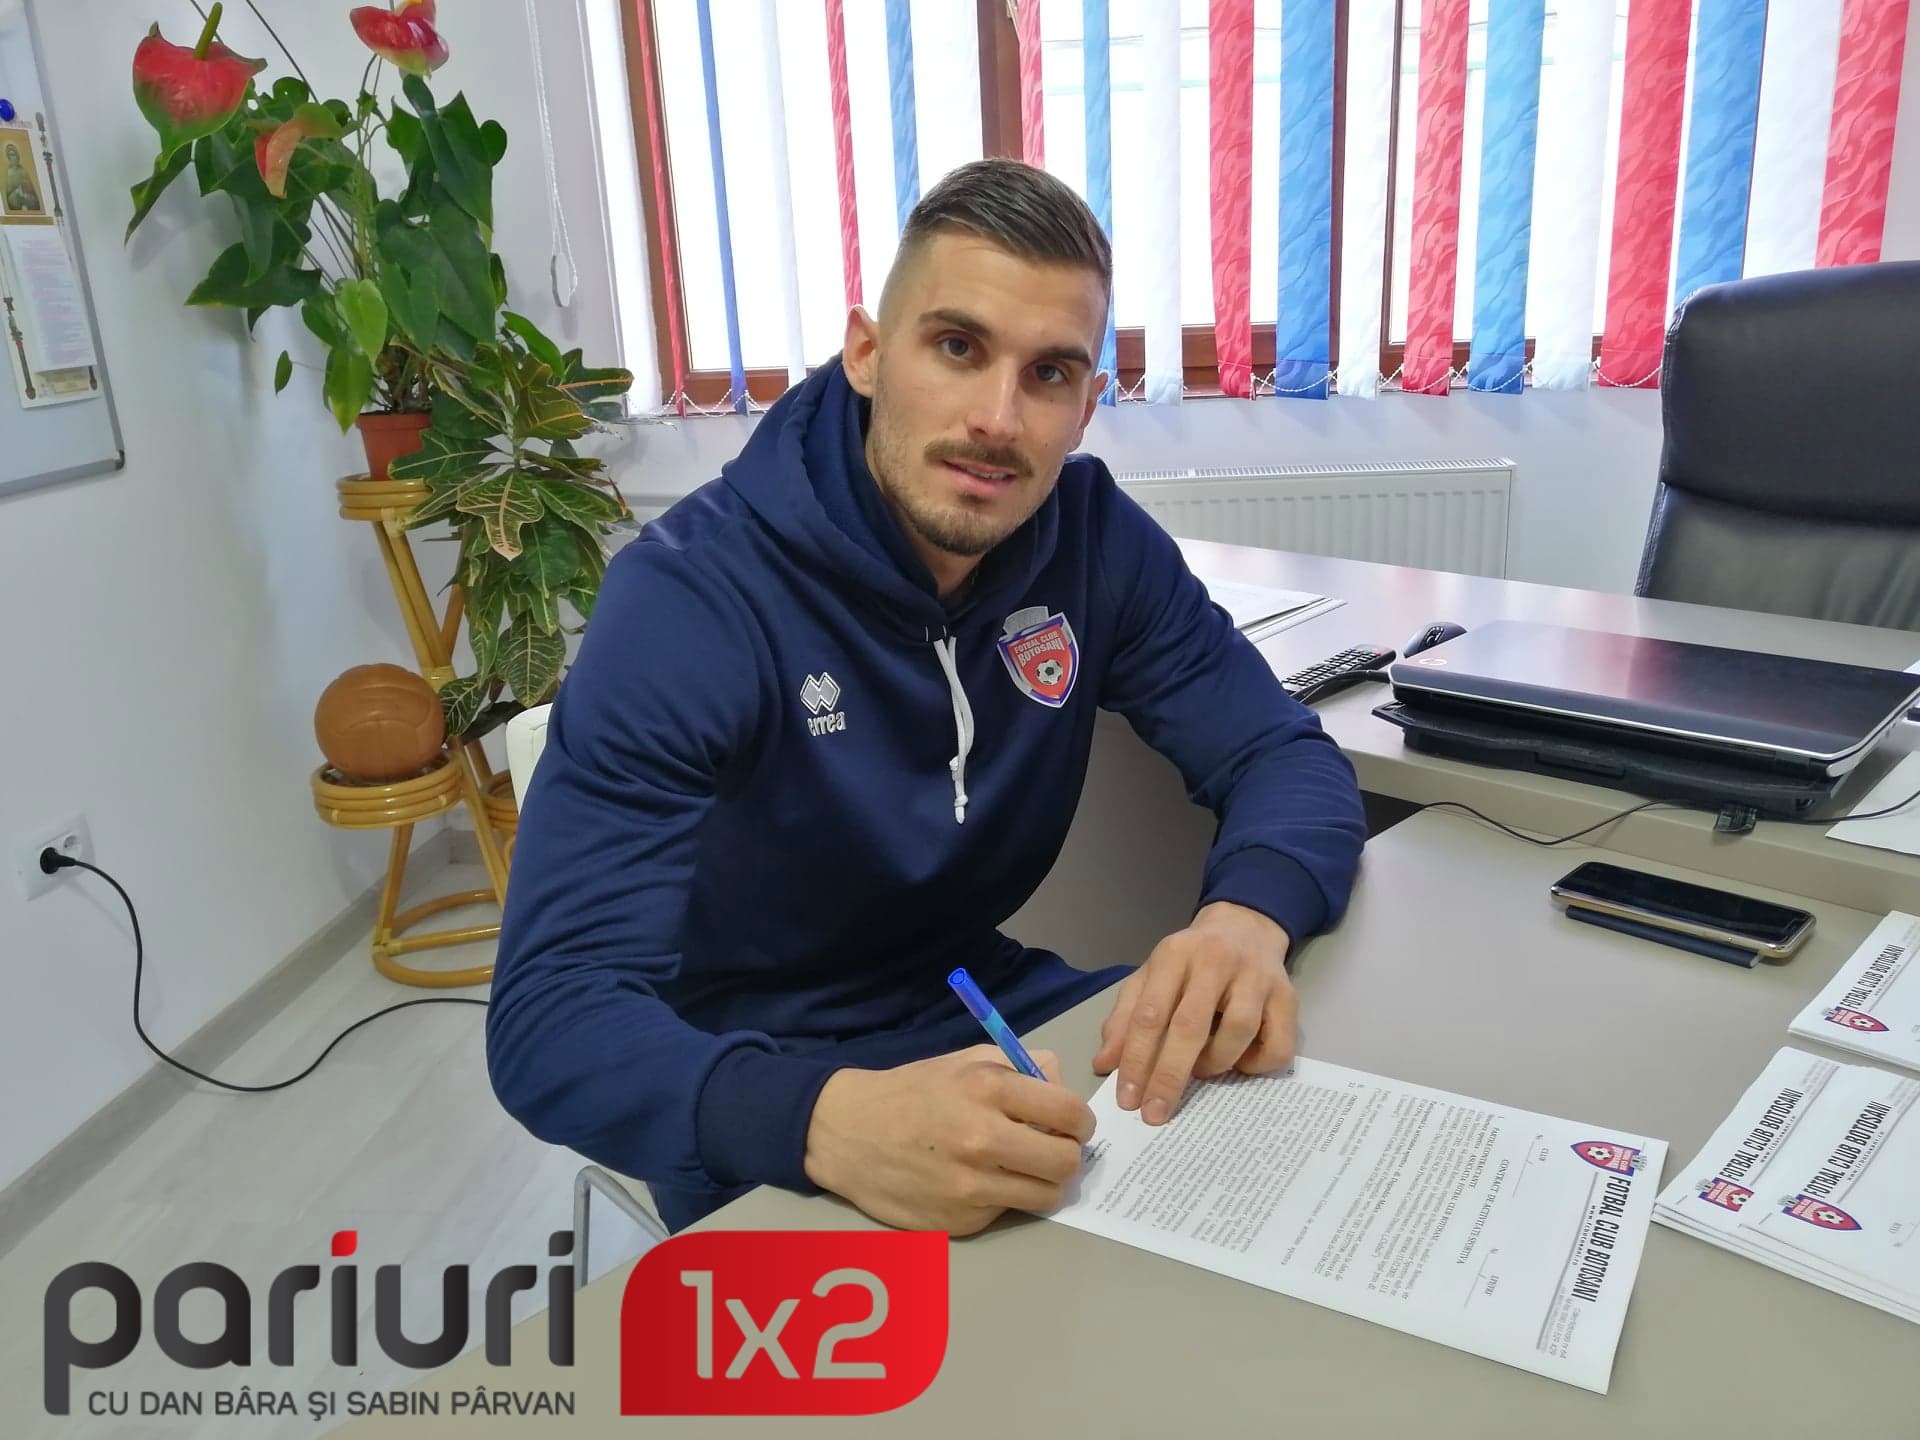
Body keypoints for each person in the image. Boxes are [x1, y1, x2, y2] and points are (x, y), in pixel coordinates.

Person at [486, 159, 1366, 1236]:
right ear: (867, 353)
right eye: (957, 347)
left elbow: (1282, 753)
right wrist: (822, 1120)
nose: (997, 418)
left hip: (979, 1005)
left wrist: (1245, 919)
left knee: (1281, 1185)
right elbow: (551, 1021)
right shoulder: (691, 597)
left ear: (1087, 406)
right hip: (755, 1070)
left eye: (1049, 374)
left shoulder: (1092, 539)